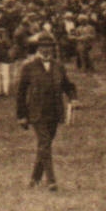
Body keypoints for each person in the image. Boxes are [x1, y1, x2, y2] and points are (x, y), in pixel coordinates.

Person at [16, 33, 77, 191]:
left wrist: (73, 97)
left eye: (49, 46)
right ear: (38, 48)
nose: (46, 50)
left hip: (55, 111)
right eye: (43, 46)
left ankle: (34, 179)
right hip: (36, 111)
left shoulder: (58, 66)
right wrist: (21, 116)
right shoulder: (28, 66)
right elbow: (21, 92)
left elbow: (67, 85)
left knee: (45, 145)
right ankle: (51, 180)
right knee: (44, 144)